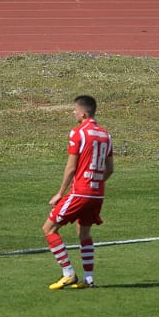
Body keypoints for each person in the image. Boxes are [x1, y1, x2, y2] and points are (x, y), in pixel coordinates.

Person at [44, 94, 114, 290]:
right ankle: (89, 278)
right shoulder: (106, 134)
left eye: (74, 110)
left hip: (80, 192)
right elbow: (110, 169)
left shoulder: (78, 133)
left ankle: (68, 273)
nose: (73, 113)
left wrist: (60, 193)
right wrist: (96, 182)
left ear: (83, 113)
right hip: (98, 193)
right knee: (83, 233)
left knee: (48, 229)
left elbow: (71, 168)